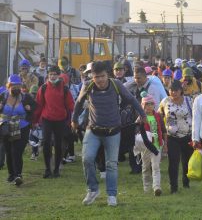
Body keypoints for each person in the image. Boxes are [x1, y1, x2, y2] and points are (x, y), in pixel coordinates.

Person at [71, 61, 146, 207]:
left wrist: (142, 114)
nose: (99, 80)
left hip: (113, 132)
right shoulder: (88, 86)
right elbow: (79, 103)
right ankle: (93, 190)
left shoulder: (116, 84)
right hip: (93, 130)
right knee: (87, 159)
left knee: (111, 164)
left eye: (102, 76)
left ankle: (111, 195)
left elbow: (131, 100)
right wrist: (74, 119)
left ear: (107, 75)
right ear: (92, 76)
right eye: (96, 77)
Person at [33, 65, 75, 178]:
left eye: (54, 74)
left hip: (61, 120)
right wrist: (35, 121)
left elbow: (71, 105)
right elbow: (39, 106)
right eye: (50, 74)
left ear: (58, 75)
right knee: (46, 143)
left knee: (58, 145)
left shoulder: (65, 89)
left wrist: (73, 120)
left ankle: (56, 169)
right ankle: (47, 169)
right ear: (48, 75)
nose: (52, 76)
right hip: (47, 119)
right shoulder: (43, 88)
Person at [158, 80, 193, 194]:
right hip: (172, 137)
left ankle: (186, 181)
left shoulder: (189, 101)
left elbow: (196, 115)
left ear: (181, 91)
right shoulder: (165, 101)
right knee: (173, 162)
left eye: (176, 90)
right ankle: (174, 187)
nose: (173, 93)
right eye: (171, 90)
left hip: (188, 135)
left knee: (187, 161)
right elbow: (159, 116)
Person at [0, 74, 36, 185]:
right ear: (8, 86)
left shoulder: (26, 97)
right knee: (8, 151)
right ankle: (11, 174)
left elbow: (35, 107)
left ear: (20, 86)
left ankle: (18, 175)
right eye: (13, 85)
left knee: (17, 151)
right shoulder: (3, 97)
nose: (15, 88)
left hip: (22, 127)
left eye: (18, 86)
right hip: (6, 127)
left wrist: (29, 109)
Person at [138, 93, 166, 196]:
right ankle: (146, 187)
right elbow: (136, 132)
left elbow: (163, 130)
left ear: (154, 105)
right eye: (146, 104)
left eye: (151, 104)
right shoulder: (140, 118)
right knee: (145, 167)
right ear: (142, 106)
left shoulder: (158, 116)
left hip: (157, 145)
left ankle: (157, 187)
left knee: (155, 167)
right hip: (145, 147)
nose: (149, 107)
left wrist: (165, 144)